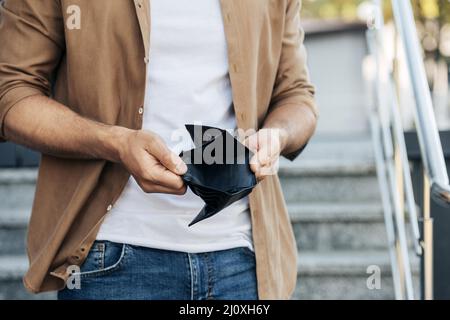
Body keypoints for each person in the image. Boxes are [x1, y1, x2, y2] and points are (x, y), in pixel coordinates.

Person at [0, 0, 317, 300]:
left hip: (243, 261)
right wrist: (116, 143)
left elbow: (297, 95)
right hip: (111, 258)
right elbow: (11, 92)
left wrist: (277, 135)